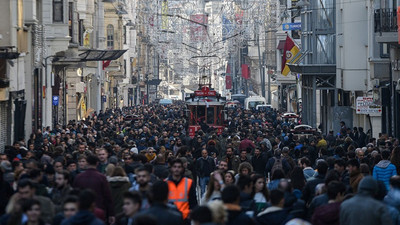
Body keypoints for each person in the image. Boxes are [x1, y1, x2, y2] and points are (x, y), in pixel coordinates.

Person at [73, 155, 115, 224]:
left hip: (81, 211)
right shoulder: (101, 178)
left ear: (87, 163)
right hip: (99, 210)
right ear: (97, 163)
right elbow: (107, 197)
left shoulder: (78, 177)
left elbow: (74, 195)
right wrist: (111, 214)